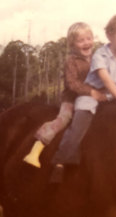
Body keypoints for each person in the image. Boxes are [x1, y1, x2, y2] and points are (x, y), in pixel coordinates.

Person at [50, 13, 116, 183]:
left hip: (112, 95)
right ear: (110, 35)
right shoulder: (100, 54)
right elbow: (106, 79)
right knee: (80, 120)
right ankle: (61, 160)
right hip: (91, 94)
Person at [23, 22, 106, 168]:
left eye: (89, 38)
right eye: (81, 41)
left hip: (92, 98)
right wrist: (92, 91)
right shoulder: (71, 61)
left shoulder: (97, 58)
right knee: (63, 119)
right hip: (72, 99)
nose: (86, 43)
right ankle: (37, 148)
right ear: (72, 44)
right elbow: (72, 84)